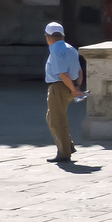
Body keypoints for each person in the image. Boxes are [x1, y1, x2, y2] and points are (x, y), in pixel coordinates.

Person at [42, 22, 81, 163]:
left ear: (48, 37)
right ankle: (68, 145)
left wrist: (73, 89)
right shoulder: (71, 49)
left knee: (57, 121)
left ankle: (64, 153)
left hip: (59, 86)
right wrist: (76, 85)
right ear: (62, 35)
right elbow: (79, 71)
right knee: (52, 117)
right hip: (69, 85)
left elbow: (62, 74)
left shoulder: (56, 51)